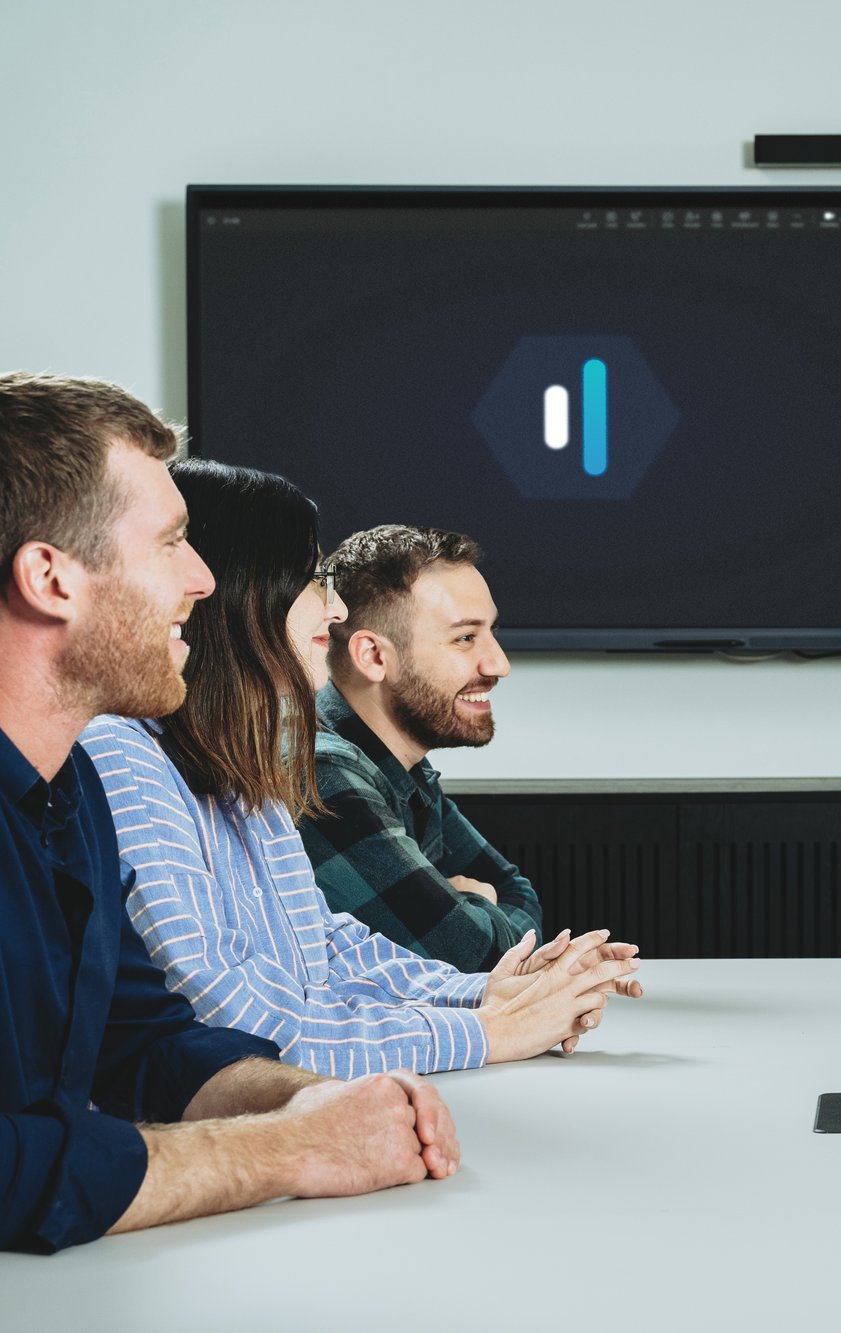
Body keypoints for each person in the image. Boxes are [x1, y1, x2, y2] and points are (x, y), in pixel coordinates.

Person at [0, 372, 460, 1252]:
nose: (204, 578)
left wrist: (304, 1096)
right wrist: (283, 1149)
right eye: (171, 541)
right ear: (50, 578)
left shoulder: (69, 796)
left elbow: (142, 1038)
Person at [80, 459, 640, 1078]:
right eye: (317, 579)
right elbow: (233, 1017)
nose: (337, 609)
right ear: (246, 591)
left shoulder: (239, 752)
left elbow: (323, 946)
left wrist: (484, 995)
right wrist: (488, 1029)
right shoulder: (123, 753)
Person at [296, 524, 537, 972]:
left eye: (490, 633)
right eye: (465, 638)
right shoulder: (323, 774)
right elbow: (477, 958)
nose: (498, 663)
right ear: (372, 656)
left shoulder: (402, 767)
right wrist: (471, 897)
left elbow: (519, 895)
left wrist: (472, 908)